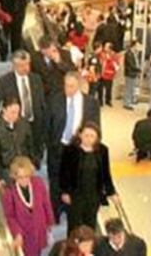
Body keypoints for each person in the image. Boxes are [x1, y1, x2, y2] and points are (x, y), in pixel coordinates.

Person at [47, 71, 101, 220]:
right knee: (55, 181)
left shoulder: (90, 104)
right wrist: (49, 144)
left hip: (78, 150)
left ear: (79, 86)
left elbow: (96, 129)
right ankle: (55, 211)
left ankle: (72, 210)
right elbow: (47, 125)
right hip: (58, 148)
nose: (67, 89)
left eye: (71, 86)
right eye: (66, 85)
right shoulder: (54, 100)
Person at [0, 50, 46, 153]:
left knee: (35, 150)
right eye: (22, 65)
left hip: (35, 123)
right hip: (16, 123)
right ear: (14, 66)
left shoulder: (36, 79)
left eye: (27, 64)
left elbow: (41, 103)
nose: (25, 68)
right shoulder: (4, 82)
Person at [59, 123, 117, 231]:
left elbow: (106, 173)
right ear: (80, 135)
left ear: (97, 137)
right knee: (74, 224)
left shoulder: (102, 151)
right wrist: (65, 192)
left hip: (93, 195)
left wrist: (111, 192)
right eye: (86, 135)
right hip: (75, 195)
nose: (89, 139)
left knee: (90, 223)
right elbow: (63, 173)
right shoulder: (70, 150)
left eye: (92, 136)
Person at [1, 156, 56, 256]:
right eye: (20, 177)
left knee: (38, 252)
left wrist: (50, 222)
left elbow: (46, 203)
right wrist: (17, 233)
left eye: (27, 176)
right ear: (14, 176)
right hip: (24, 232)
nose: (24, 180)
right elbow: (10, 216)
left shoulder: (38, 183)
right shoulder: (9, 192)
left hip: (39, 227)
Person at [0, 97, 33, 185]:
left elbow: (29, 144)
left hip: (24, 165)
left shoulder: (23, 124)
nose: (15, 116)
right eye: (12, 112)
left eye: (17, 112)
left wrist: (32, 162)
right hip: (7, 171)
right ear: (4, 110)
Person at [32, 34, 75, 104]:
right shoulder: (35, 59)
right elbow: (34, 78)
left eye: (53, 49)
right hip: (46, 94)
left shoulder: (65, 54)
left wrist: (60, 62)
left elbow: (73, 73)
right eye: (47, 51)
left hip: (63, 91)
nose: (51, 53)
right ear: (42, 50)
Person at [122, 40, 143, 110]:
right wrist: (138, 69)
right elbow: (131, 64)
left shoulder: (135, 53)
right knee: (128, 88)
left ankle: (130, 101)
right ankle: (126, 103)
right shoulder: (128, 54)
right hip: (130, 73)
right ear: (133, 46)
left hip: (134, 73)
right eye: (137, 45)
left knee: (132, 88)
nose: (138, 47)